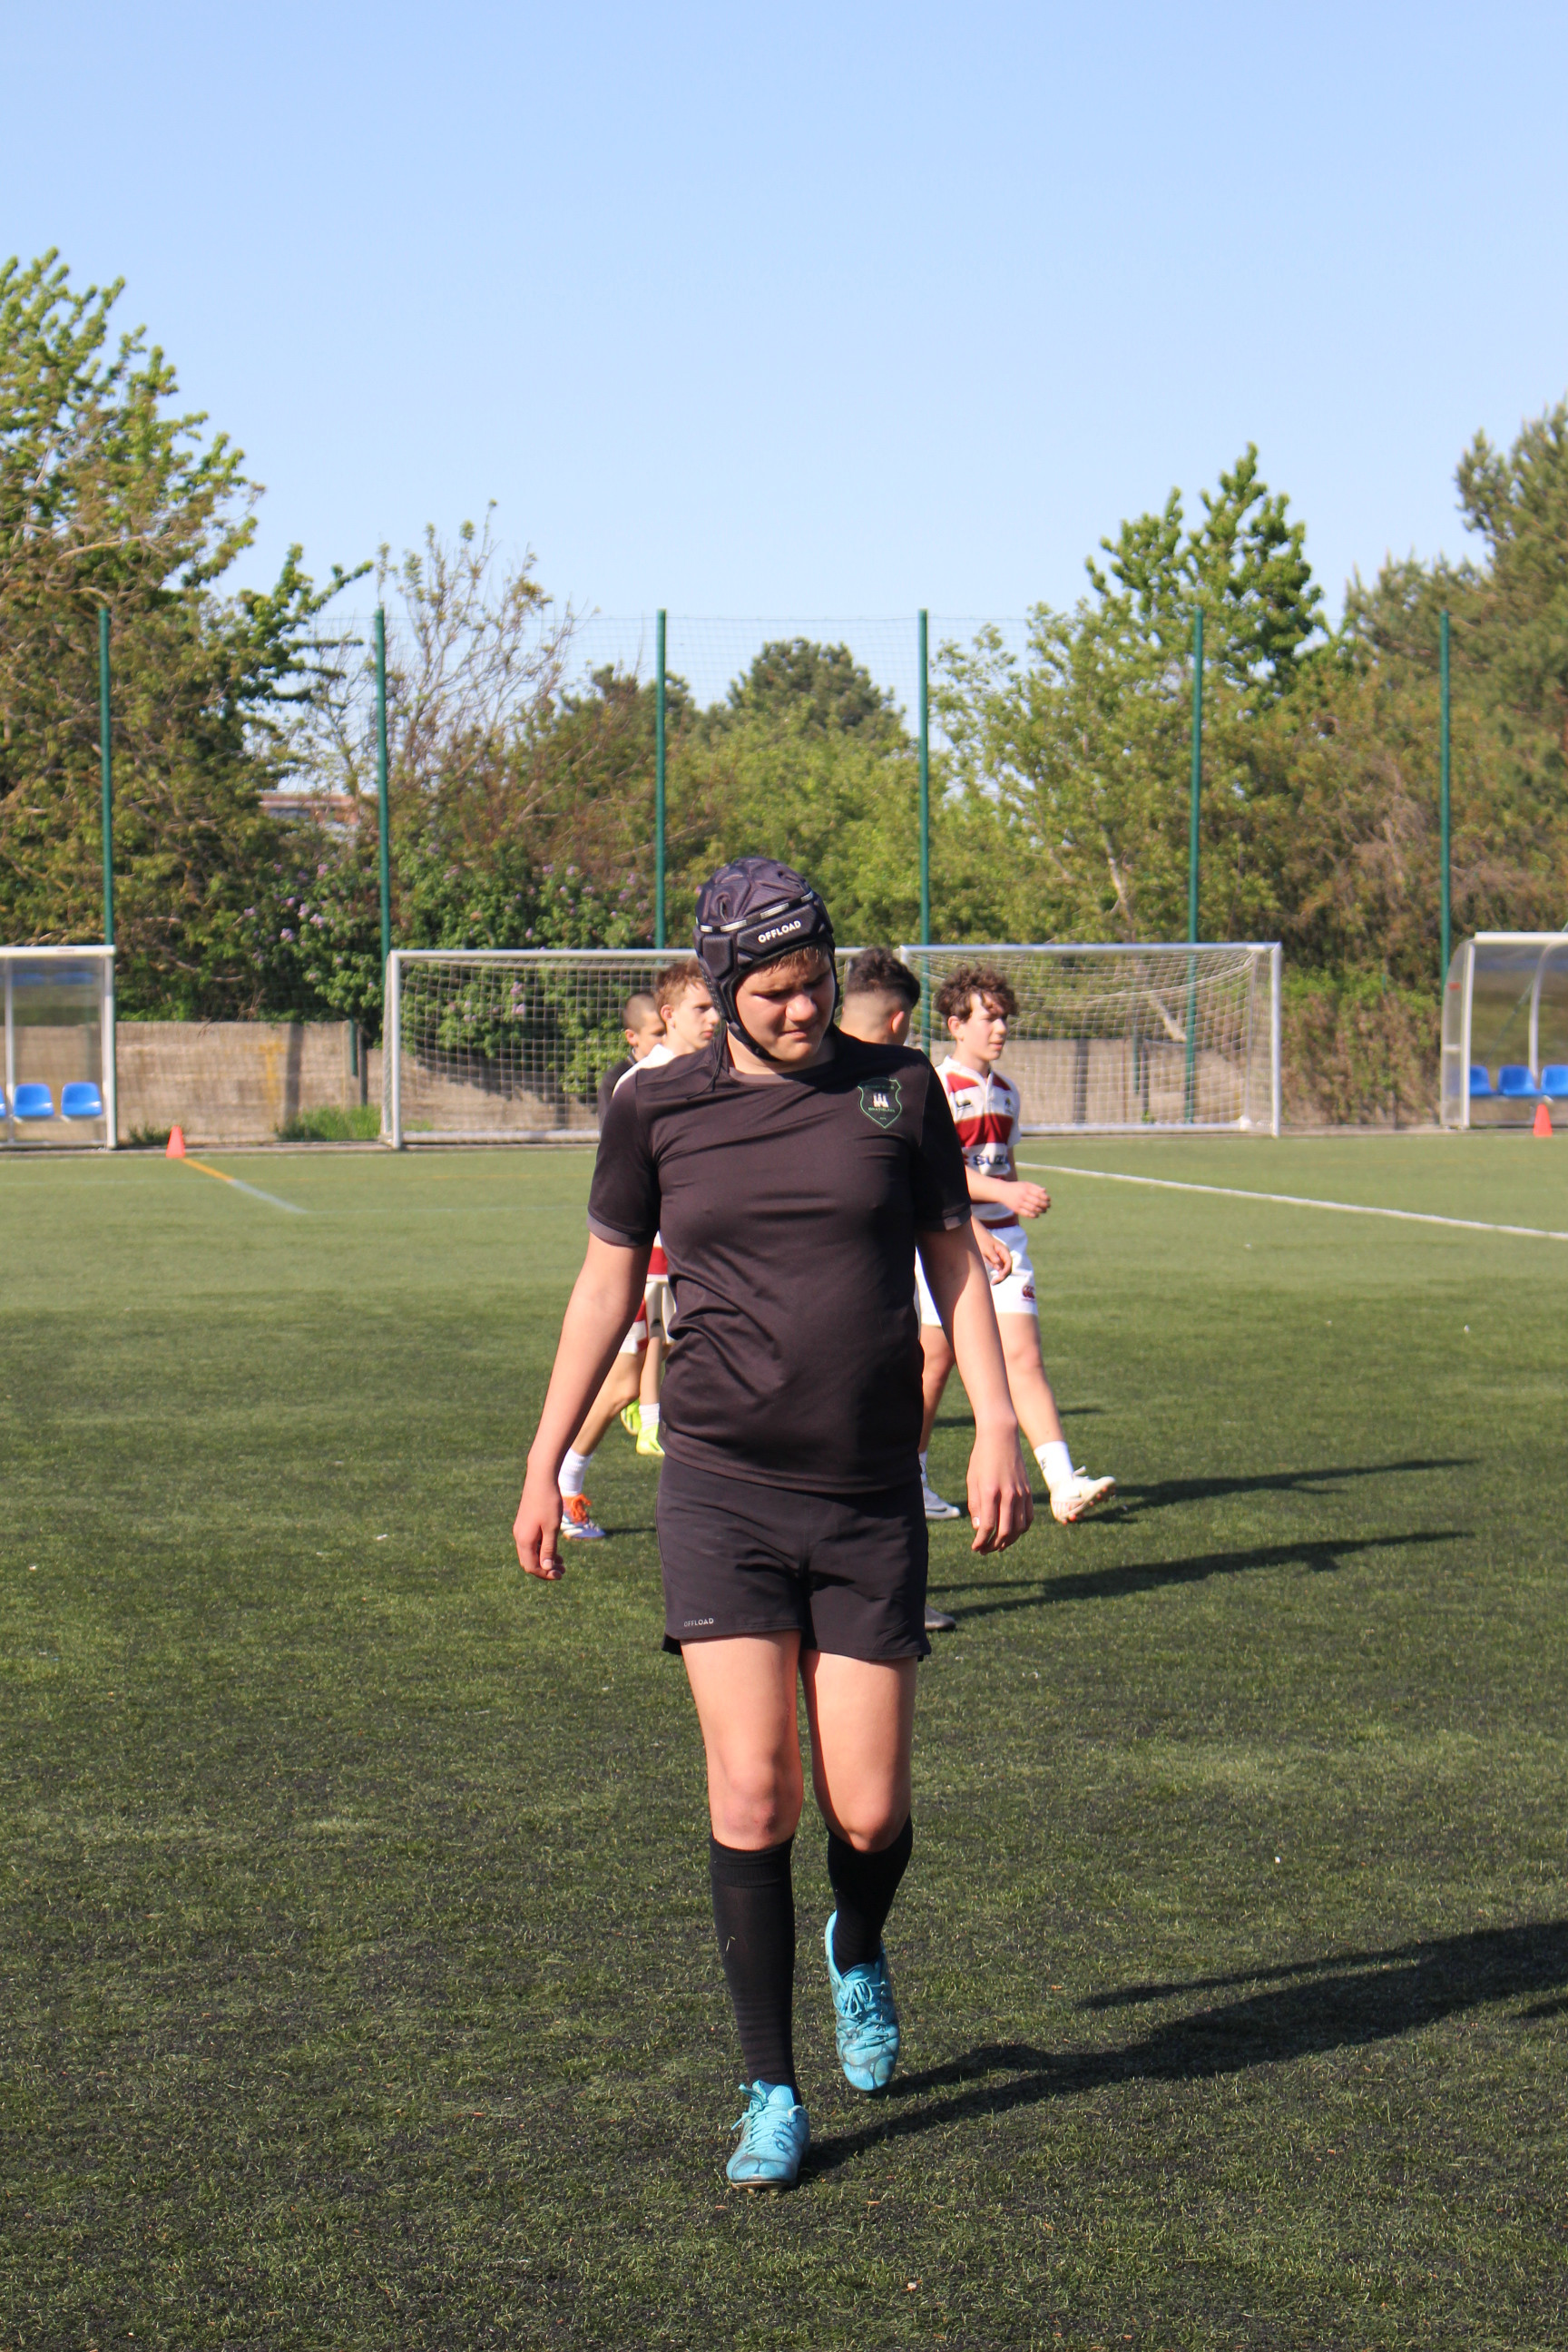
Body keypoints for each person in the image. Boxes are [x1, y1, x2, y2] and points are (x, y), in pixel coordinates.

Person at [514, 859, 1032, 2191]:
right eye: (773, 993)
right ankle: (770, 2089)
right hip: (720, 1491)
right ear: (720, 988)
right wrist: (546, 1456)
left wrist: (999, 1428)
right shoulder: (656, 1108)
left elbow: (951, 1259)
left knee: (868, 1811)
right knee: (754, 1791)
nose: (803, 1011)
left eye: (815, 984)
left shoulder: (896, 1089)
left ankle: (857, 1944)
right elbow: (603, 1288)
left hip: (866, 1497)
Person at [838, 949, 1014, 1634]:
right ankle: (890, 1595)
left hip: (779, 1331)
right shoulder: (902, 1082)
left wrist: (970, 1227)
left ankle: (872, 1595)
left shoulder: (785, 1074)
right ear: (901, 1020)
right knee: (883, 1456)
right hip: (869, 1319)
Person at [928, 965, 1116, 1525]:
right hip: (950, 1239)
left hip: (1006, 1241)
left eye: (1005, 1018)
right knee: (933, 1365)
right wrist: (1005, 1191)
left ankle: (1063, 1484)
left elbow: (1003, 1164)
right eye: (988, 1018)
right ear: (956, 1025)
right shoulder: (937, 1089)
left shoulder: (1008, 1093)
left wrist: (1010, 1199)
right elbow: (937, 1175)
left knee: (1024, 1357)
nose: (1001, 1029)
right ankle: (911, 1477)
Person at [615, 960, 721, 1462]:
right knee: (622, 1380)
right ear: (670, 1015)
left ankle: (662, 1423)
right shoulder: (640, 1086)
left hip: (707, 1253)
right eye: (701, 1008)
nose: (714, 1018)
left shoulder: (721, 1075)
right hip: (654, 1253)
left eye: (715, 1007)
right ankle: (567, 1477)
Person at [596, 992, 665, 1128]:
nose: (665, 1039)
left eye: (669, 1031)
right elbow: (611, 1134)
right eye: (658, 1033)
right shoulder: (616, 1080)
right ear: (632, 1037)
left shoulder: (680, 1068)